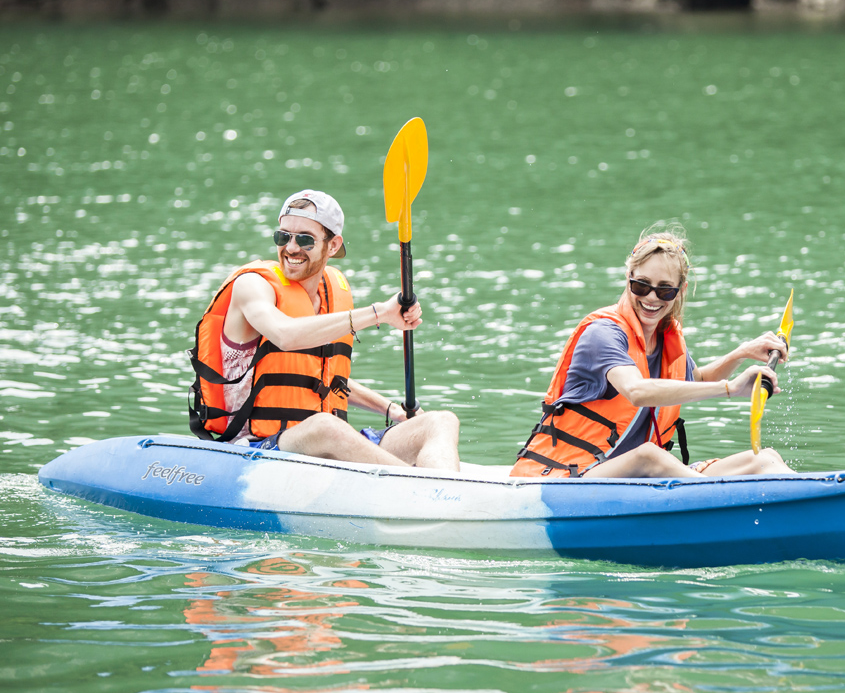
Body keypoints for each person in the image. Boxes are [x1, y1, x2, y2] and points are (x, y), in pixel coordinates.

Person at [188, 189, 460, 470]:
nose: (291, 247)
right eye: (283, 236)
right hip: (257, 447)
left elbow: (320, 377)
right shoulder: (253, 286)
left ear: (333, 245)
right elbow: (285, 335)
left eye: (305, 239)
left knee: (441, 421)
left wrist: (390, 409)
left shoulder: (332, 294)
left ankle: (449, 495)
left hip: (325, 441)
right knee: (326, 427)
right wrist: (380, 313)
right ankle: (421, 489)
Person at [511, 223, 795, 479]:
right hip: (564, 476)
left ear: (680, 290)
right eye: (641, 285)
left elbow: (694, 382)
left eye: (664, 290)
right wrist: (731, 389)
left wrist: (741, 353)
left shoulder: (666, 338)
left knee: (765, 459)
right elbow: (637, 392)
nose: (651, 298)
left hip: (633, 476)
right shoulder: (602, 334)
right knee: (650, 455)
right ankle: (719, 499)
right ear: (628, 277)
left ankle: (805, 501)